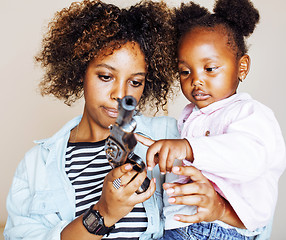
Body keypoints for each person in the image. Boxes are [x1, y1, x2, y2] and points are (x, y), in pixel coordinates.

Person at [3, 1, 247, 240]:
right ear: (80, 73)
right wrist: (104, 213)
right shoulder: (37, 165)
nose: (120, 94)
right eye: (106, 76)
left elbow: (254, 210)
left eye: (135, 82)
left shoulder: (175, 137)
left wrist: (221, 209)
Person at [136, 0, 286, 239]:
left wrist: (187, 148)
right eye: (185, 71)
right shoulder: (189, 116)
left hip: (218, 230)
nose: (196, 80)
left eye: (210, 69)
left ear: (242, 67)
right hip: (175, 228)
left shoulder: (249, 113)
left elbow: (249, 158)